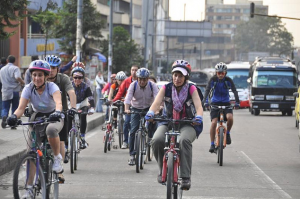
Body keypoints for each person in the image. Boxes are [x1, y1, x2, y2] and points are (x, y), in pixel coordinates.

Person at [6, 60, 64, 197]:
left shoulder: (52, 87)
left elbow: (59, 103)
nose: (37, 78)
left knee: (50, 130)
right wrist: (13, 116)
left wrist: (57, 112)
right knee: (31, 152)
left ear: (45, 76)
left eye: (40, 75)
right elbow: (20, 108)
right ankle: (29, 188)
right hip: (37, 117)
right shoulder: (28, 88)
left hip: (54, 116)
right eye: (34, 75)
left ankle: (57, 158)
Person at [145, 60, 203, 190]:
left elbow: (199, 106)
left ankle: (186, 177)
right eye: (175, 75)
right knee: (156, 140)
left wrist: (198, 116)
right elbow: (156, 103)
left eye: (181, 76)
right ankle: (162, 169)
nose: (177, 78)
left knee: (184, 140)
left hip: (187, 123)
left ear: (186, 77)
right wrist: (150, 113)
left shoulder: (192, 89)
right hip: (168, 121)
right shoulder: (166, 88)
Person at [45, 55, 77, 183]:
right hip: (43, 113)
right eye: (49, 68)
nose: (51, 70)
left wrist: (73, 107)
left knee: (61, 141)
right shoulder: (41, 78)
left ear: (58, 69)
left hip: (60, 113)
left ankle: (59, 171)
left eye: (54, 68)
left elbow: (71, 92)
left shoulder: (63, 79)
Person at [202, 62, 240, 153]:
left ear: (225, 73)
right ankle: (212, 144)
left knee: (230, 118)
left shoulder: (228, 80)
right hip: (215, 103)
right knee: (214, 122)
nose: (220, 75)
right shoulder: (213, 80)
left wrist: (237, 102)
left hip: (226, 103)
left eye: (222, 73)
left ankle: (227, 134)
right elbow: (207, 91)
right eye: (219, 73)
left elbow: (234, 91)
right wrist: (205, 102)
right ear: (216, 73)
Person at [124, 68, 159, 165]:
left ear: (147, 79)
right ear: (137, 79)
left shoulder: (153, 86)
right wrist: (127, 109)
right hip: (135, 109)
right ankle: (132, 155)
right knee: (133, 130)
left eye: (144, 79)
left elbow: (157, 99)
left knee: (153, 125)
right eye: (140, 79)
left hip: (149, 109)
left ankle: (150, 140)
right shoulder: (133, 85)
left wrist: (156, 110)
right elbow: (128, 99)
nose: (142, 81)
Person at [113, 65, 139, 149]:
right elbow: (120, 92)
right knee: (126, 122)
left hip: (139, 106)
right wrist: (114, 101)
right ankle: (125, 141)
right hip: (128, 105)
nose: (134, 72)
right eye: (132, 70)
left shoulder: (142, 80)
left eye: (136, 70)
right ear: (130, 71)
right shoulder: (126, 81)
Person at [71, 65, 95, 149]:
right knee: (67, 118)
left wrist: (92, 108)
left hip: (82, 104)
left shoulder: (86, 86)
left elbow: (90, 97)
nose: (77, 80)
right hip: (71, 104)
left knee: (83, 115)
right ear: (72, 77)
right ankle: (66, 144)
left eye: (80, 77)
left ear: (83, 78)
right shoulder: (69, 86)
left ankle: (82, 138)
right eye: (75, 77)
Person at [0, 55, 25, 129]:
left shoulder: (2, 69)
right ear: (15, 61)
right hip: (15, 90)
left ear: (7, 60)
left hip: (5, 91)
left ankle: (4, 116)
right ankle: (13, 123)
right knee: (15, 107)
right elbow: (17, 77)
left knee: (5, 107)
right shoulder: (15, 68)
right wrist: (22, 82)